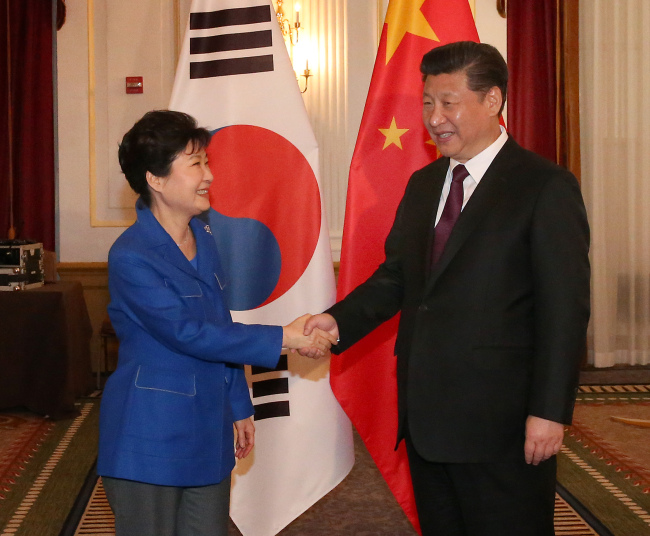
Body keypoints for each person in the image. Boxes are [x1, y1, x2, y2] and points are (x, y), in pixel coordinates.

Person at [304, 41, 590, 535]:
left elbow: (564, 311)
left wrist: (549, 411)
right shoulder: (424, 184)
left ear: (494, 101)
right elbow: (397, 277)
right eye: (427, 103)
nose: (435, 118)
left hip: (502, 423)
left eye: (449, 102)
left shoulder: (544, 186)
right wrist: (336, 321)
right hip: (426, 419)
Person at [97, 110, 336, 536]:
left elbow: (218, 321)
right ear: (155, 178)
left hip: (206, 426)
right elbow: (189, 333)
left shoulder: (202, 236)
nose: (208, 175)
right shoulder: (132, 255)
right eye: (196, 164)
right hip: (149, 433)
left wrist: (239, 405)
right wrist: (286, 336)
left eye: (207, 162)